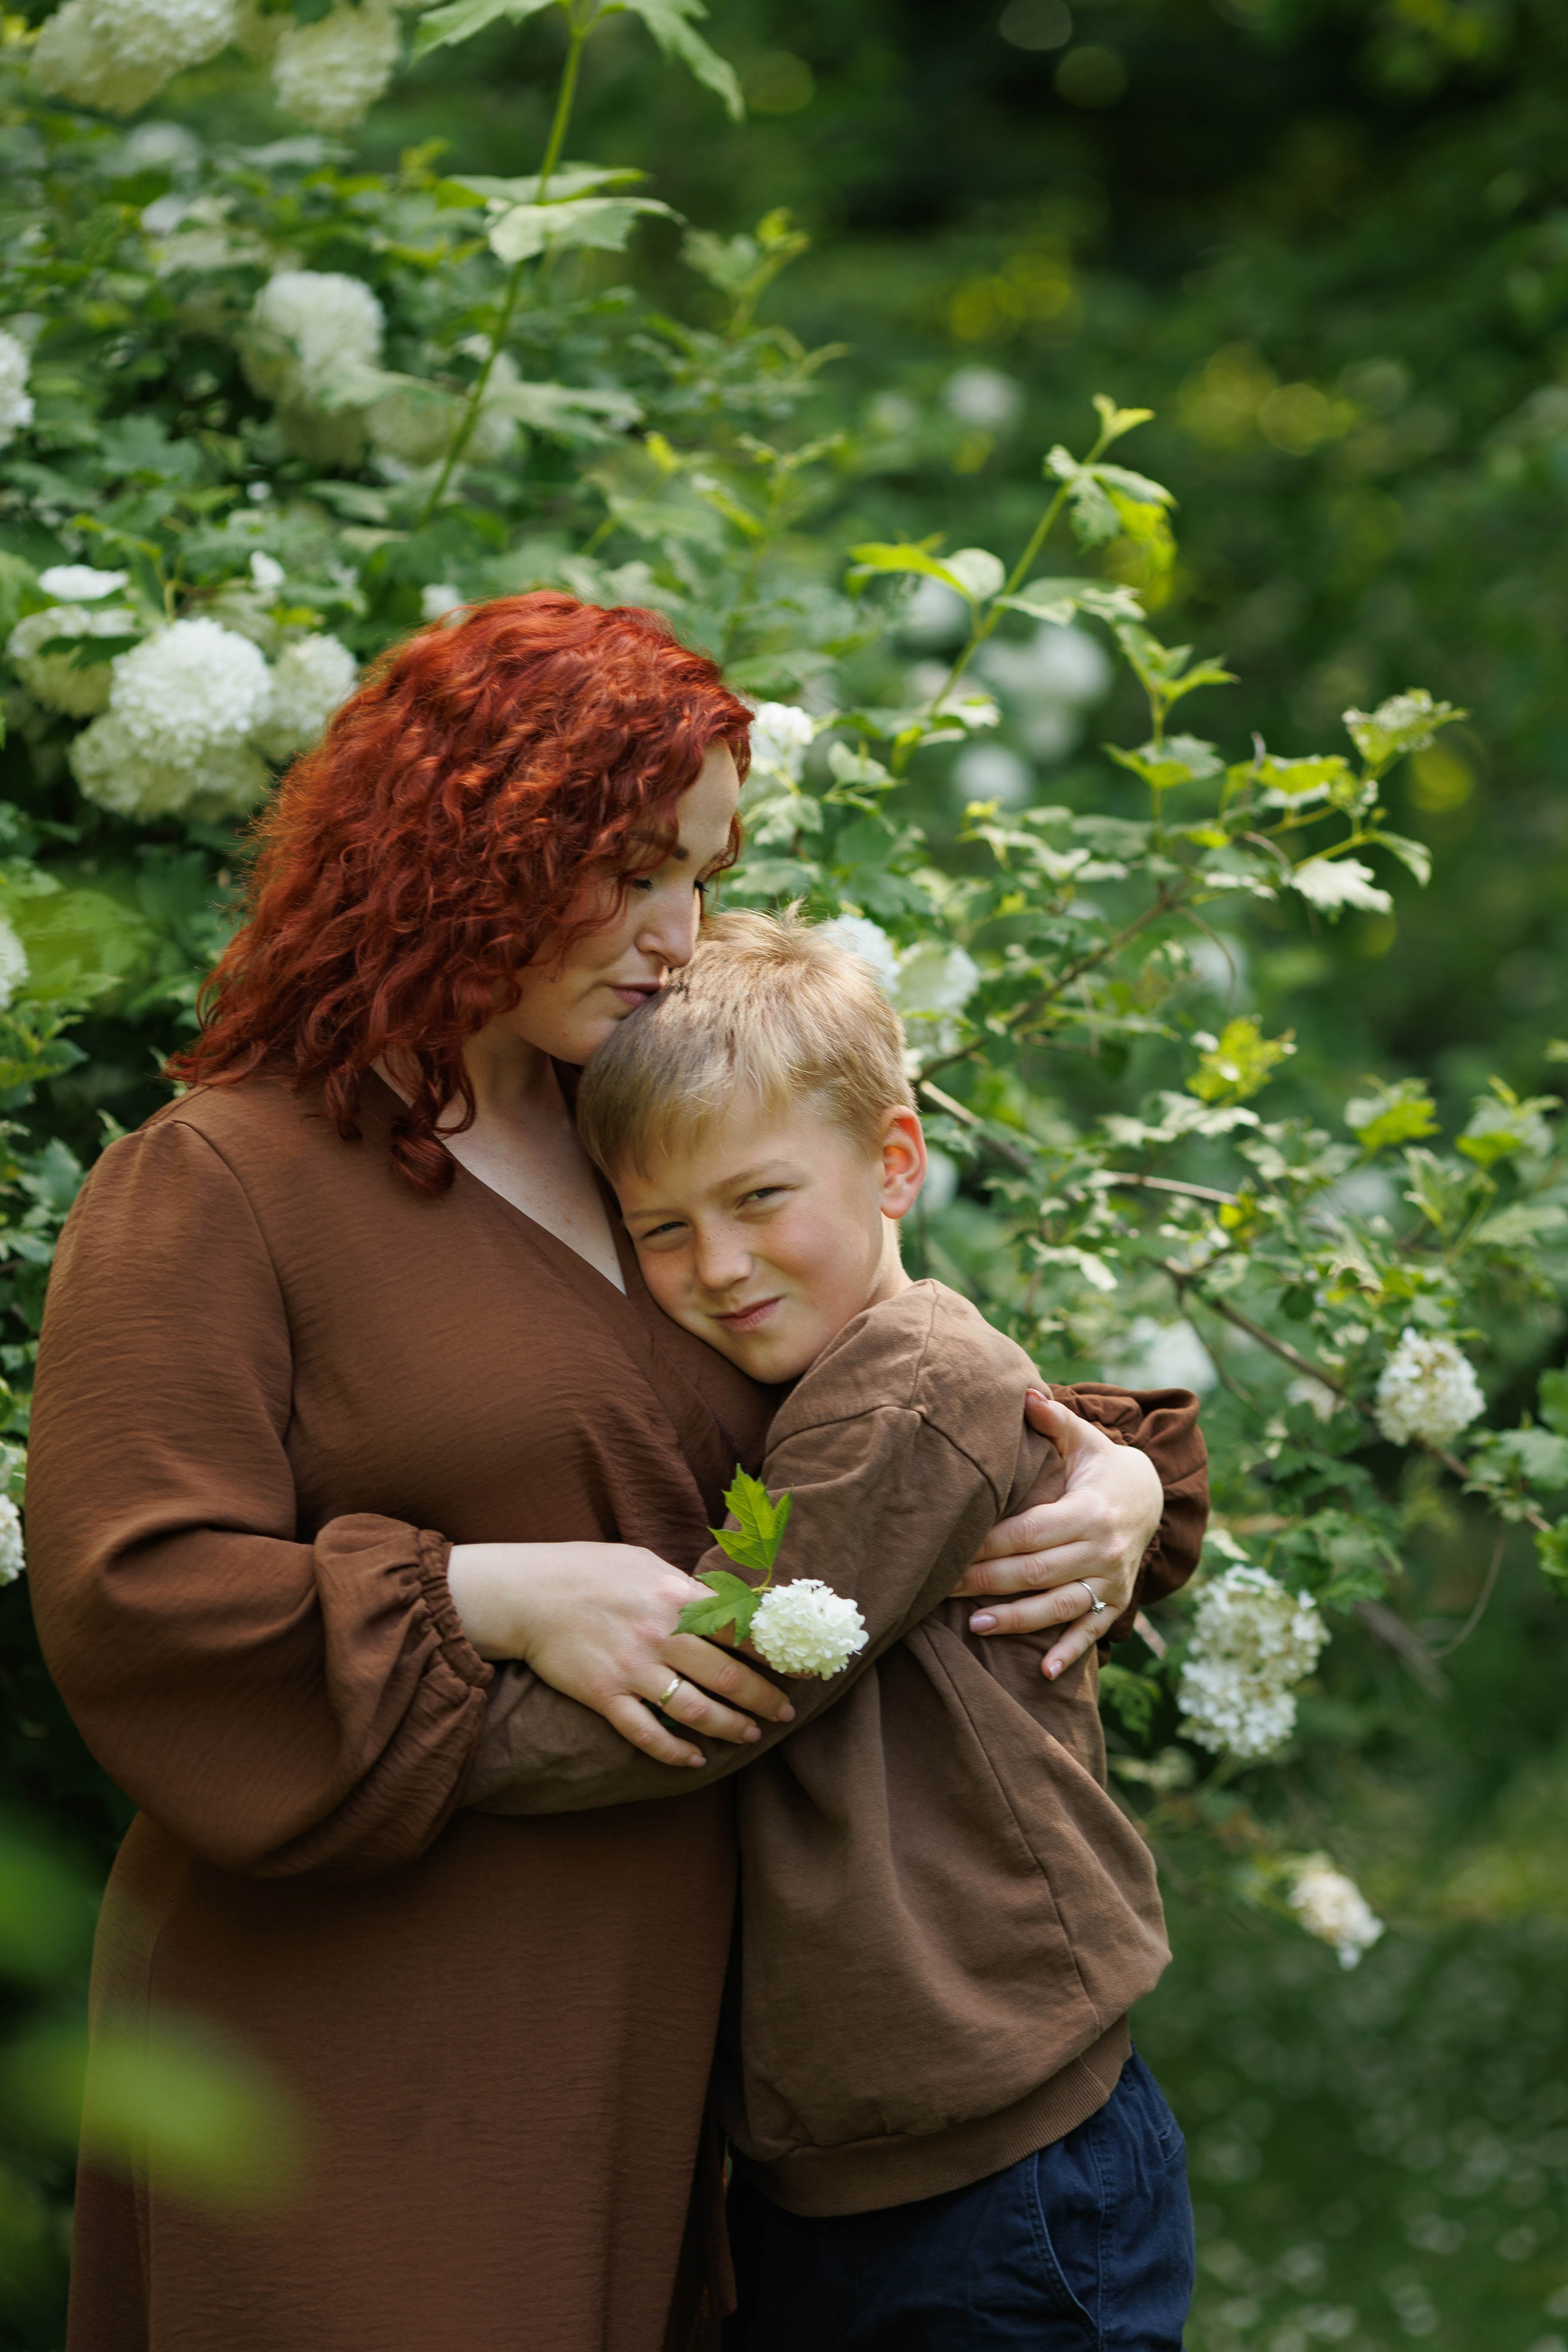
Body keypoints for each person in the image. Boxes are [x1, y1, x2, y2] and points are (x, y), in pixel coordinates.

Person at [26, 592, 1197, 2352]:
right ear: (467, 846)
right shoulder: (222, 1181)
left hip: (674, 2043)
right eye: (634, 871)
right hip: (356, 2010)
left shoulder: (635, 1125)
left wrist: (1110, 1486)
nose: (679, 932)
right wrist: (487, 1591)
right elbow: (132, 1593)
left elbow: (877, 1403)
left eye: (706, 877)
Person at [477, 910, 1204, 2348]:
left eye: (757, 1199)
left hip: (1004, 2170)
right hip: (854, 2172)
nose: (720, 1265)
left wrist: (420, 1730)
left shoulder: (904, 1390)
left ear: (892, 1160)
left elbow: (722, 1679)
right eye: (662, 1228)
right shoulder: (822, 1372)